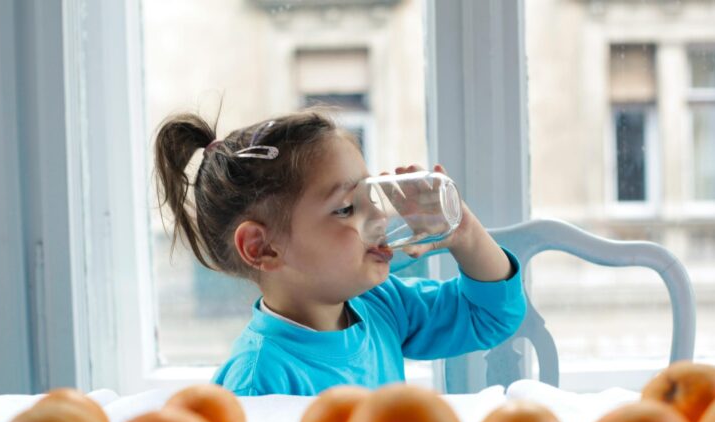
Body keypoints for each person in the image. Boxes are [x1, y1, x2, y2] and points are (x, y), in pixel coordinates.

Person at [154, 108, 527, 396]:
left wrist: (464, 233)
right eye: (347, 208)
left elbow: (492, 315)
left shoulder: (380, 303)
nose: (379, 216)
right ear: (262, 247)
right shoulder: (259, 381)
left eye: (372, 195)